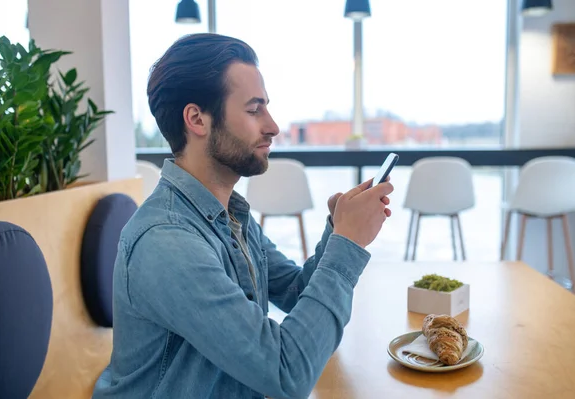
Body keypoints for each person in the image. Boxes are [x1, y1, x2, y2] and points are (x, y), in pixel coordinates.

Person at [92, 33, 394, 399]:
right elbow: (287, 373)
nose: (273, 126)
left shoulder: (229, 215)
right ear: (197, 119)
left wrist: (337, 232)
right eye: (254, 110)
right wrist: (348, 244)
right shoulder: (167, 241)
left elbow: (298, 295)